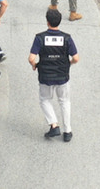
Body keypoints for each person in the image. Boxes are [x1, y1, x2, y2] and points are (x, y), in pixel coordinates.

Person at [28, 9, 80, 142]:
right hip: (62, 76)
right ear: (59, 21)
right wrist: (69, 63)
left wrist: (34, 64)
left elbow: (31, 58)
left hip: (45, 76)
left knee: (45, 100)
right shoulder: (66, 38)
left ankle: (54, 124)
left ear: (47, 22)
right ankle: (67, 131)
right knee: (64, 101)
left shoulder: (40, 38)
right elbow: (76, 58)